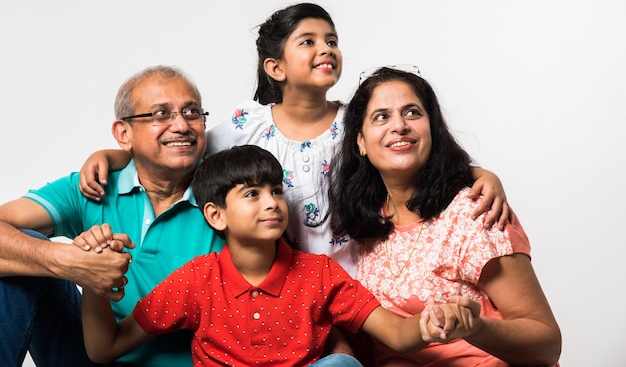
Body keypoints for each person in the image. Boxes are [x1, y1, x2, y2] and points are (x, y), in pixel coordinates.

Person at [78, 2, 511, 278]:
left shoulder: (355, 123)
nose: (326, 48)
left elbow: (409, 155)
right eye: (308, 41)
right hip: (279, 283)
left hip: (358, 280)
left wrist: (478, 173)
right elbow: (181, 148)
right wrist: (114, 155)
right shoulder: (246, 125)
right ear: (275, 68)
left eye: (332, 41)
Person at [79, 144, 483, 367]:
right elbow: (105, 348)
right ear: (215, 215)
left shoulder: (317, 273)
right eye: (251, 194)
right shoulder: (198, 278)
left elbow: (396, 333)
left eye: (274, 190)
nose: (271, 202)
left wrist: (430, 325)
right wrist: (94, 280)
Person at [328, 66, 562, 366]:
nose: (399, 126)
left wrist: (475, 328)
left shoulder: (474, 212)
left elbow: (547, 344)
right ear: (360, 141)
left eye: (412, 112)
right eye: (381, 116)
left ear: (433, 130)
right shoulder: (365, 224)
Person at [0, 65, 225, 366]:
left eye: (192, 112)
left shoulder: (232, 193)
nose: (182, 126)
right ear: (123, 133)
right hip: (92, 358)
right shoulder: (94, 186)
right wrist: (69, 261)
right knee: (19, 256)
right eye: (161, 114)